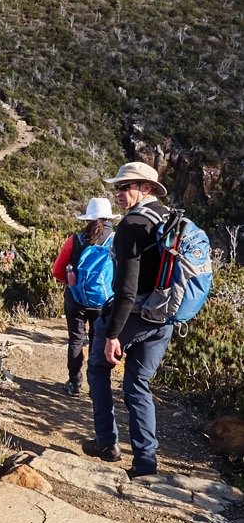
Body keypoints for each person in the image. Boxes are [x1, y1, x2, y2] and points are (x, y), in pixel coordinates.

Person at [83, 161, 172, 478]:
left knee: (97, 368)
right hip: (163, 317)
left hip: (133, 316)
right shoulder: (167, 219)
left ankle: (107, 443)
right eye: (117, 187)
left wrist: (112, 336)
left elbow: (126, 289)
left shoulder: (132, 225)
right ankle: (145, 462)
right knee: (137, 384)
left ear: (145, 189)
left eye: (125, 187)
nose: (118, 193)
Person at [51, 197, 117, 395]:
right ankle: (96, 387)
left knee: (76, 340)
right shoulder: (116, 240)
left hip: (76, 300)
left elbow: (57, 270)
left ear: (88, 218)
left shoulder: (75, 240)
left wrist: (72, 284)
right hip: (104, 302)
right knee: (98, 341)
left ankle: (74, 383)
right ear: (109, 218)